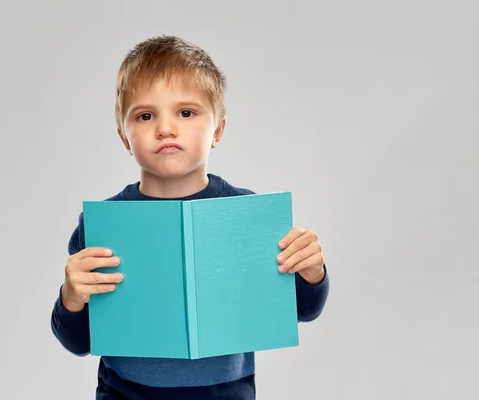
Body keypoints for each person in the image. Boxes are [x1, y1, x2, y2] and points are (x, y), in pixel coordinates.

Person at [51, 35, 330, 399]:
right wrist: (71, 297)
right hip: (125, 393)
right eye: (145, 115)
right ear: (124, 136)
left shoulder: (248, 216)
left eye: (186, 112)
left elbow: (303, 311)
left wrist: (312, 273)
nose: (166, 128)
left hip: (225, 393)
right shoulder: (104, 224)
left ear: (218, 130)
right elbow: (77, 341)